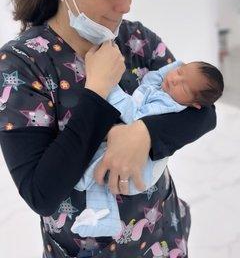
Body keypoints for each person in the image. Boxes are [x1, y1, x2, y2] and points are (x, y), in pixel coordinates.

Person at [0, 0, 217, 258]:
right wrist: (97, 93)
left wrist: (142, 134)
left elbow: (203, 111)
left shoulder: (136, 40)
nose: (126, 4)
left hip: (161, 237)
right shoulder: (23, 63)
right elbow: (42, 193)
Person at [71, 60, 224, 238]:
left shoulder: (169, 105)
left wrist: (111, 88)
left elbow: (134, 115)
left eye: (184, 86)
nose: (175, 79)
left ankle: (81, 182)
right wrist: (176, 68)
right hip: (138, 172)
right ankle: (104, 218)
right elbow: (154, 78)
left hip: (142, 171)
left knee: (102, 165)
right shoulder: (165, 87)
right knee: (106, 163)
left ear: (195, 104)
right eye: (179, 72)